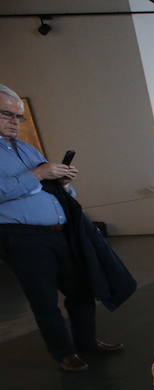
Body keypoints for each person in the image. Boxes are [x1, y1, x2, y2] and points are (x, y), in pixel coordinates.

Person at [0, 84, 127, 372]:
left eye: (18, 116)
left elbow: (50, 186)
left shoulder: (27, 148)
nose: (13, 121)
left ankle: (86, 342)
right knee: (44, 298)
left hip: (60, 233)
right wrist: (40, 173)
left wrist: (64, 184)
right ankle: (64, 352)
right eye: (6, 114)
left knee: (81, 289)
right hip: (22, 238)